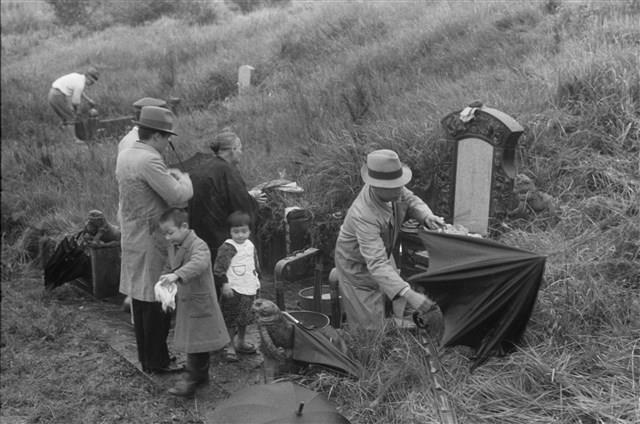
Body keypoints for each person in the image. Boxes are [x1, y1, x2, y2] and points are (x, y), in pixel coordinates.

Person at [115, 105, 193, 373]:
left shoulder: (127, 154)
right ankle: (159, 361)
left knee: (140, 297)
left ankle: (147, 359)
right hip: (153, 238)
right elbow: (178, 196)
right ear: (157, 136)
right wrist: (183, 178)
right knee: (161, 298)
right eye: (167, 136)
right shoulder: (150, 159)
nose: (168, 141)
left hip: (133, 234)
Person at [334, 149, 446, 332]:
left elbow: (411, 200)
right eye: (393, 187)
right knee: (370, 333)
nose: (399, 189)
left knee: (395, 298)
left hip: (382, 254)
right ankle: (373, 350)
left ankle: (397, 327)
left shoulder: (393, 188)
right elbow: (376, 263)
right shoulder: (363, 214)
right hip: (357, 268)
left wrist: (426, 216)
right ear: (375, 186)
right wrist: (411, 295)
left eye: (399, 184)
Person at [179, 130, 266, 296]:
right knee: (230, 289)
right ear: (232, 149)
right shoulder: (228, 171)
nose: (241, 152)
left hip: (200, 238)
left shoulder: (199, 168)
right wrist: (253, 201)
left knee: (210, 288)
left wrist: (247, 196)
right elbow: (241, 208)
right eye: (240, 148)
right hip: (223, 239)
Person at [157, 208, 230, 397]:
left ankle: (191, 379)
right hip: (186, 301)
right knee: (197, 341)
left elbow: (199, 263)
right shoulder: (174, 245)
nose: (167, 237)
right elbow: (169, 265)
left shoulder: (199, 245)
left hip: (199, 302)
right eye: (164, 234)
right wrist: (164, 281)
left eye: (170, 232)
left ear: (184, 226)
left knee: (196, 341)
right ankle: (200, 375)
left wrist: (176, 275)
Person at [213, 211, 261, 362]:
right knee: (231, 317)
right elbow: (219, 269)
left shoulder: (250, 245)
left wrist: (257, 279)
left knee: (245, 316)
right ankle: (230, 346)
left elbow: (255, 263)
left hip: (249, 286)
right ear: (230, 232)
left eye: (244, 231)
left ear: (250, 231)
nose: (240, 235)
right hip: (233, 289)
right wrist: (225, 284)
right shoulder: (227, 247)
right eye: (236, 232)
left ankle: (241, 341)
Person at [48, 67, 99, 145]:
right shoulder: (80, 83)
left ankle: (63, 136)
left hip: (53, 94)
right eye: (92, 82)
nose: (91, 84)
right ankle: (73, 140)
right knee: (70, 117)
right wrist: (76, 111)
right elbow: (75, 102)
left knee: (65, 117)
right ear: (88, 77)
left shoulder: (78, 77)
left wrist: (89, 100)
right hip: (57, 96)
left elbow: (79, 91)